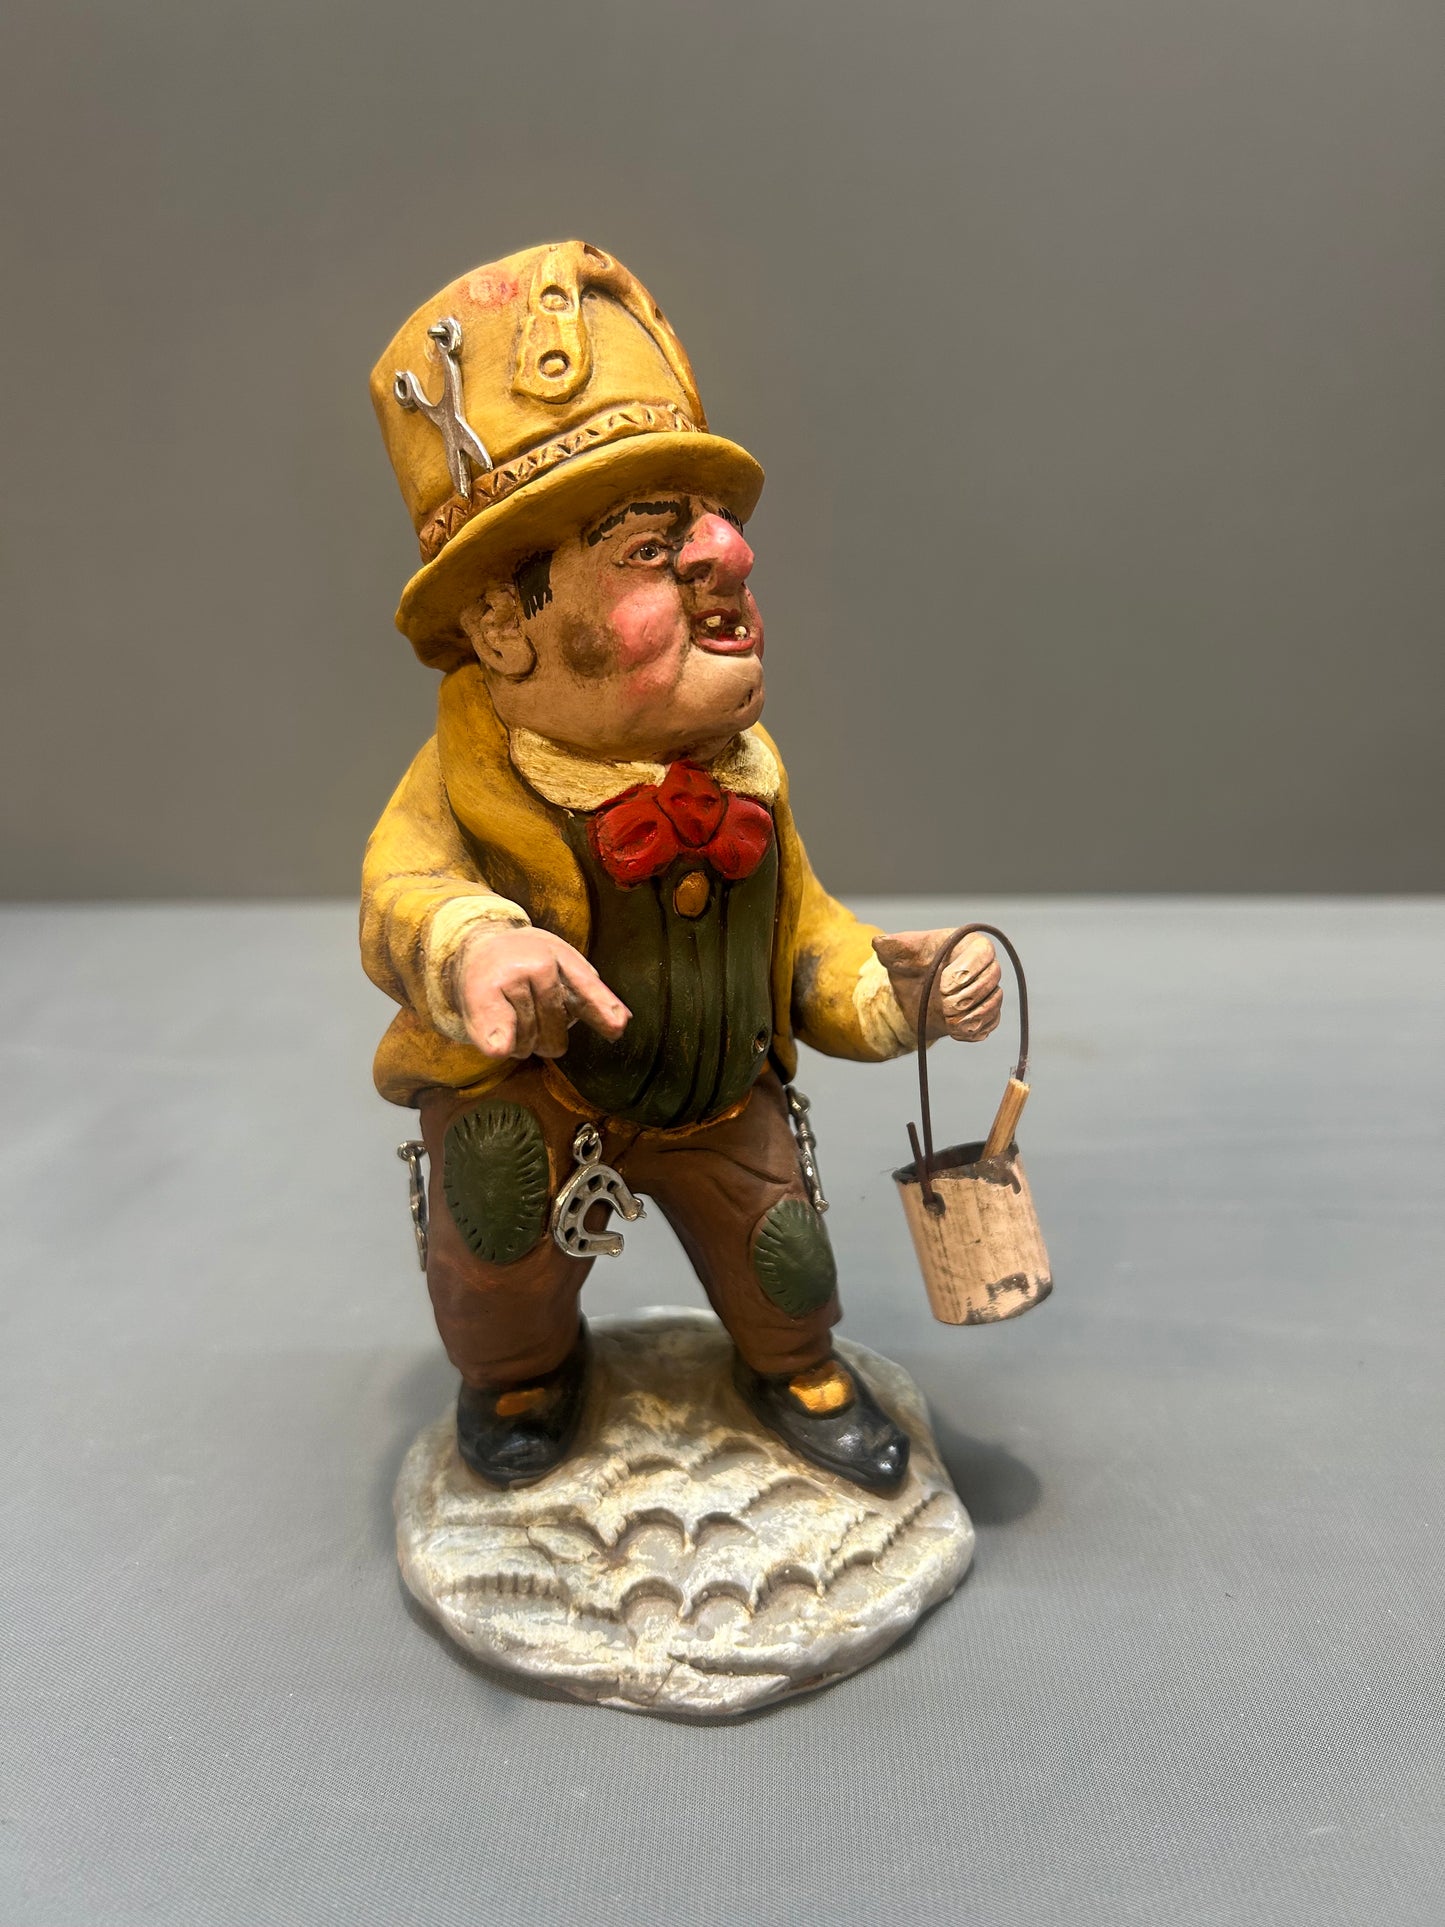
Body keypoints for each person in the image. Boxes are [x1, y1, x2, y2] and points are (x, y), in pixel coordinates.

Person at [362, 241, 1001, 1493]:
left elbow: (806, 938)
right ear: (502, 624)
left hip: (715, 1091)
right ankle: (520, 1377)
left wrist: (895, 992)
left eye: (713, 525)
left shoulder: (746, 775)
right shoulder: (469, 779)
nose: (729, 558)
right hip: (534, 1093)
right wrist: (480, 946)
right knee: (494, 1239)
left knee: (783, 1259)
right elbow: (402, 893)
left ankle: (792, 1366)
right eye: (651, 546)